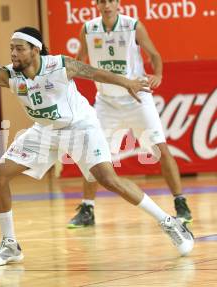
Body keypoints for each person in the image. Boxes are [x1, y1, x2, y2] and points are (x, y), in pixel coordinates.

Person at [0, 26, 194, 267]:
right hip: (45, 131)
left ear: (35, 50)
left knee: (108, 179)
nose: (13, 54)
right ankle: (10, 245)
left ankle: (169, 221)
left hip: (81, 127)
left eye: (19, 49)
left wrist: (127, 82)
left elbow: (94, 72)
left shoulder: (59, 65)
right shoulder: (9, 75)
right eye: (11, 48)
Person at [67, 0, 192, 229]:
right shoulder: (88, 28)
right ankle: (87, 208)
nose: (106, 6)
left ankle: (180, 203)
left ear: (118, 4)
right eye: (102, 1)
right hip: (105, 102)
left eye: (110, 1)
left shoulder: (133, 25)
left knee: (160, 149)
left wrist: (159, 76)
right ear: (97, 5)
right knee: (94, 153)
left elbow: (154, 55)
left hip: (137, 99)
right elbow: (79, 63)